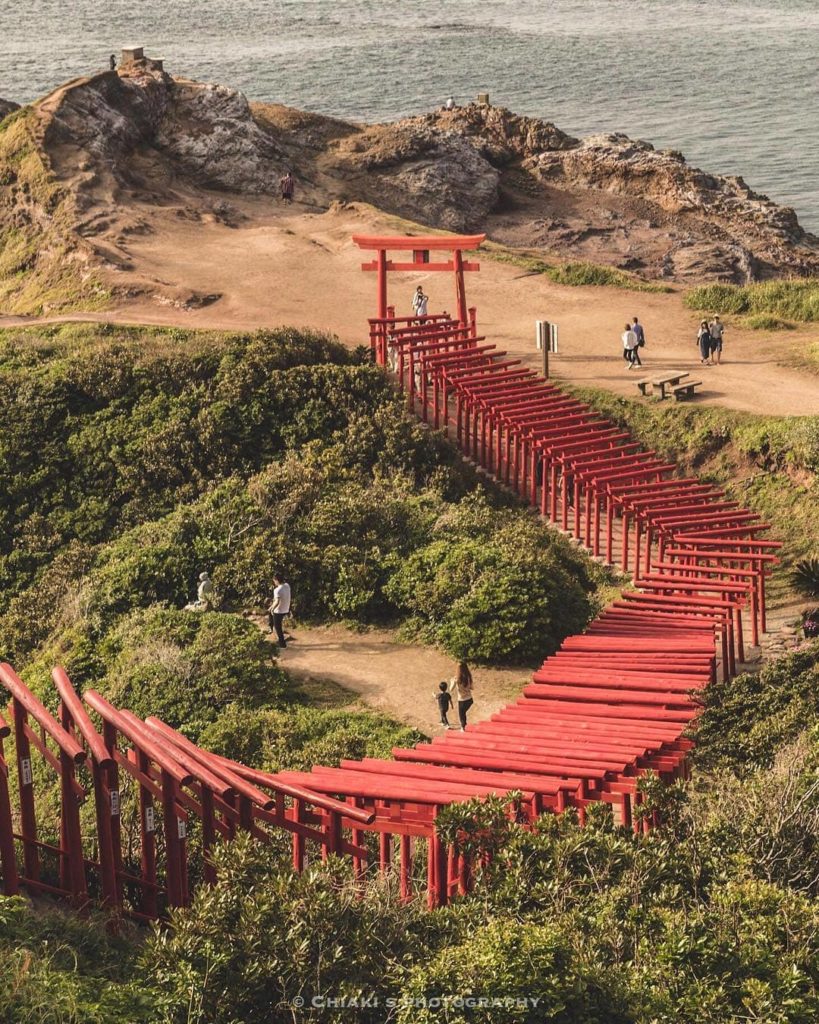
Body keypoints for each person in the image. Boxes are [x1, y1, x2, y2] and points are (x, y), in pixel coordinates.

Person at [448, 661, 474, 731]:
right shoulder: (468, 677)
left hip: (462, 700)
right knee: (463, 713)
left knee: (461, 715)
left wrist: (452, 682)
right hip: (470, 699)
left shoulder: (457, 679)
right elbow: (472, 688)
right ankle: (464, 725)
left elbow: (450, 689)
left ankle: (463, 728)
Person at [268, 574, 292, 648]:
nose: (274, 582)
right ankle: (270, 627)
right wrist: (271, 608)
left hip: (279, 610)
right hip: (286, 609)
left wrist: (272, 608)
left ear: (277, 580)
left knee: (278, 627)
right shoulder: (287, 585)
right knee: (270, 612)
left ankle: (282, 644)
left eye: (274, 581)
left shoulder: (277, 590)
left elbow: (277, 601)